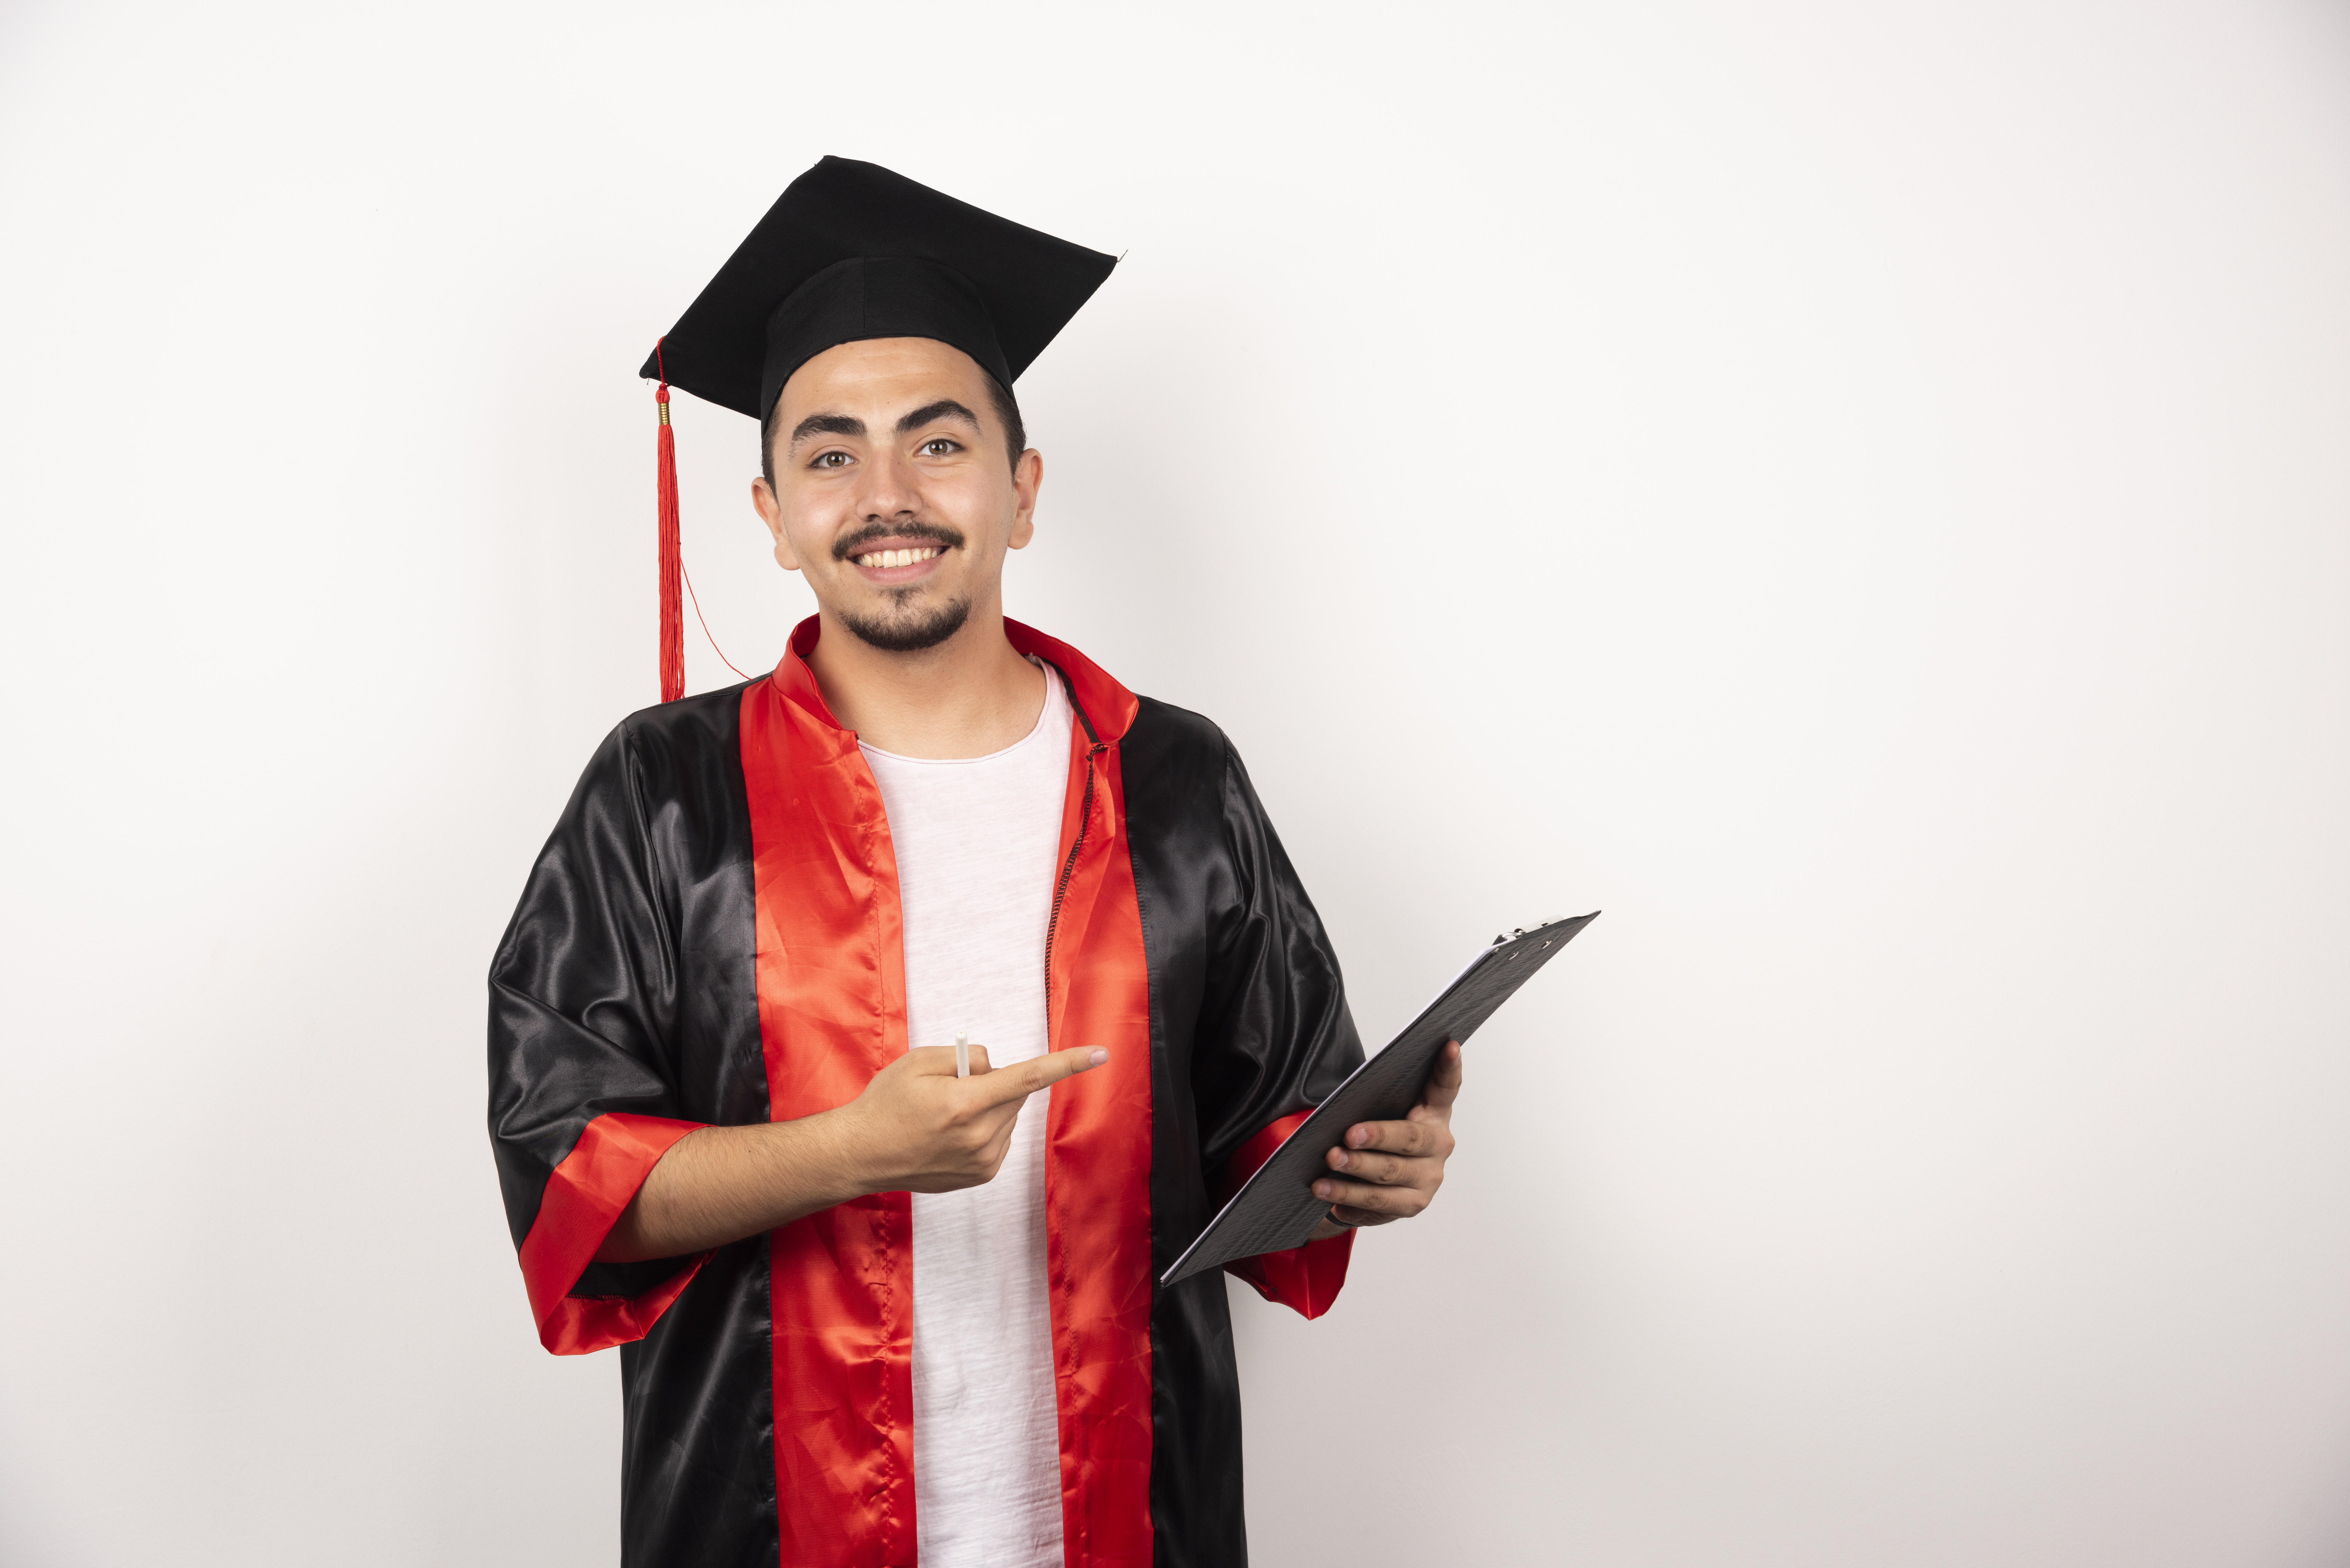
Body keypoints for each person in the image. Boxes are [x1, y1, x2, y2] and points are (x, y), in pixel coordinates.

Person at [487, 156, 1467, 1568]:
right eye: (830, 455)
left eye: (938, 444)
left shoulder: (1175, 780)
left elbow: (1272, 1128)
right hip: (766, 1528)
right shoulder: (662, 795)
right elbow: (570, 1177)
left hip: (1135, 1521)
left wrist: (1367, 1160)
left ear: (1022, 489)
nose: (886, 496)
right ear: (772, 515)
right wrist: (848, 1154)